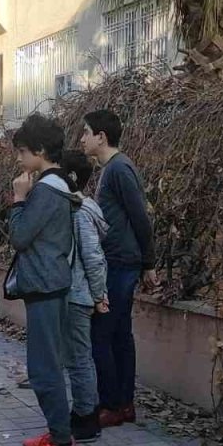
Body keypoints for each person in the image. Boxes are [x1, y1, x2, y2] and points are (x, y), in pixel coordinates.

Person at [9, 114, 81, 446]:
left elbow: (20, 237)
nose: (19, 160)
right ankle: (57, 430)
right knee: (47, 362)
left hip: (45, 285)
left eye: (22, 152)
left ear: (39, 150)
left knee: (43, 367)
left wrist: (19, 200)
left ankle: (64, 444)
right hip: (51, 283)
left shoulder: (45, 190)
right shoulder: (59, 184)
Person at [80, 109, 157, 429]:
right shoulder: (111, 169)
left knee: (103, 333)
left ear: (102, 136)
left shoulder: (119, 169)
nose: (82, 139)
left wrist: (149, 263)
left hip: (120, 263)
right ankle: (124, 403)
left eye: (86, 132)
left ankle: (112, 403)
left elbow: (140, 216)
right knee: (119, 334)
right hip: (119, 261)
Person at [60, 150, 109, 444]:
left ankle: (85, 418)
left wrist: (99, 294)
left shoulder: (79, 213)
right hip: (80, 293)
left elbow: (93, 256)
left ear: (72, 177)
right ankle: (86, 412)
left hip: (78, 295)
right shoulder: (83, 208)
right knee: (80, 356)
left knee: (79, 358)